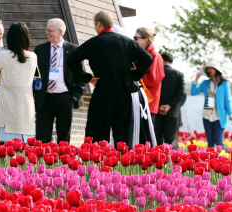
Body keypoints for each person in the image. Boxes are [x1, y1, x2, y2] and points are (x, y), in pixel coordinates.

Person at [67, 11, 153, 146]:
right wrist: (133, 76)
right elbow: (147, 58)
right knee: (123, 137)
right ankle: (122, 166)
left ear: (98, 23)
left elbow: (71, 60)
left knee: (97, 137)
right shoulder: (127, 42)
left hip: (102, 92)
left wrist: (87, 77)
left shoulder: (94, 42)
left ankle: (98, 166)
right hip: (124, 94)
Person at [34, 18, 85, 144]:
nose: (47, 33)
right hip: (44, 99)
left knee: (63, 138)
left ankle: (64, 163)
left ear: (60, 31)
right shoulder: (40, 50)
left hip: (65, 98)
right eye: (46, 30)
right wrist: (34, 94)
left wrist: (75, 96)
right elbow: (34, 75)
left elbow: (81, 76)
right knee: (42, 138)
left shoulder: (74, 50)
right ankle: (42, 163)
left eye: (50, 30)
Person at [0, 22, 37, 141]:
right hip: (26, 105)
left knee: (7, 149)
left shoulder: (4, 55)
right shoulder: (32, 56)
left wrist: (2, 84)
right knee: (26, 147)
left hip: (7, 104)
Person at [191, 61, 232, 149]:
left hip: (219, 116)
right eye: (208, 69)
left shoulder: (224, 84)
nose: (209, 70)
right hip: (207, 115)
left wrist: (230, 114)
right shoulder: (205, 83)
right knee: (210, 142)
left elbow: (227, 100)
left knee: (218, 141)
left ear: (216, 70)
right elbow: (193, 92)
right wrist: (196, 80)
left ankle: (224, 160)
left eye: (211, 68)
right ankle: (210, 161)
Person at [154, 52, 185, 148]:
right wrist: (169, 106)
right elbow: (180, 94)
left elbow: (152, 92)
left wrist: (160, 105)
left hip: (157, 112)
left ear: (161, 60)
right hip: (173, 113)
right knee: (171, 141)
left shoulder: (156, 73)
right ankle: (171, 162)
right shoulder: (179, 74)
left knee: (157, 139)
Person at [134, 27, 165, 123]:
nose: (133, 40)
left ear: (145, 40)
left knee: (145, 137)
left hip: (148, 104)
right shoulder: (141, 54)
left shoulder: (155, 55)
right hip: (138, 102)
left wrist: (134, 74)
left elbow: (154, 80)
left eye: (136, 38)